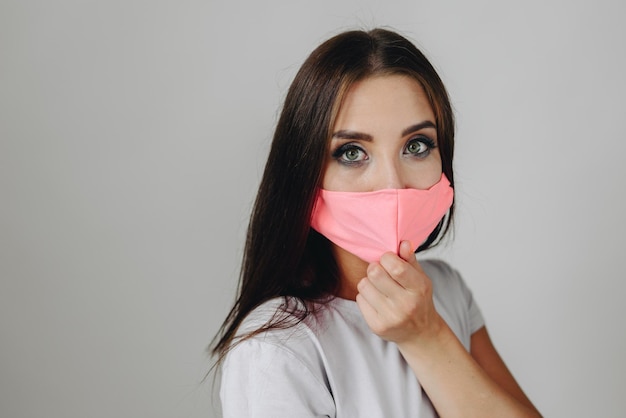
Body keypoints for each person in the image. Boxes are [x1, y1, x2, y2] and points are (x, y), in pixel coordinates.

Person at [211, 28, 541, 417]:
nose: (391, 184)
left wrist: (427, 336)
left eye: (416, 146)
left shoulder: (448, 291)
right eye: (351, 152)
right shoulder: (276, 347)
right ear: (304, 176)